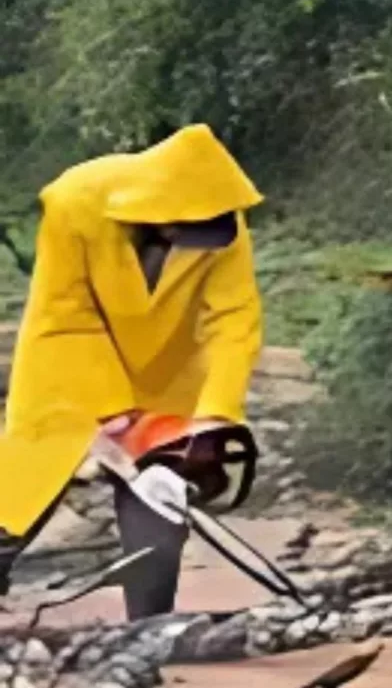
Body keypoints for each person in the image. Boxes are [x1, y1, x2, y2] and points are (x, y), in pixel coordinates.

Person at [0, 125, 265, 620]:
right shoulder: (76, 203)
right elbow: (70, 312)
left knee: (159, 499)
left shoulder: (220, 219)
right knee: (16, 500)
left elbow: (235, 321)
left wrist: (216, 414)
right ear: (163, 211)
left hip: (166, 373)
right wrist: (113, 406)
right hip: (70, 365)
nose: (202, 241)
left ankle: (149, 629)